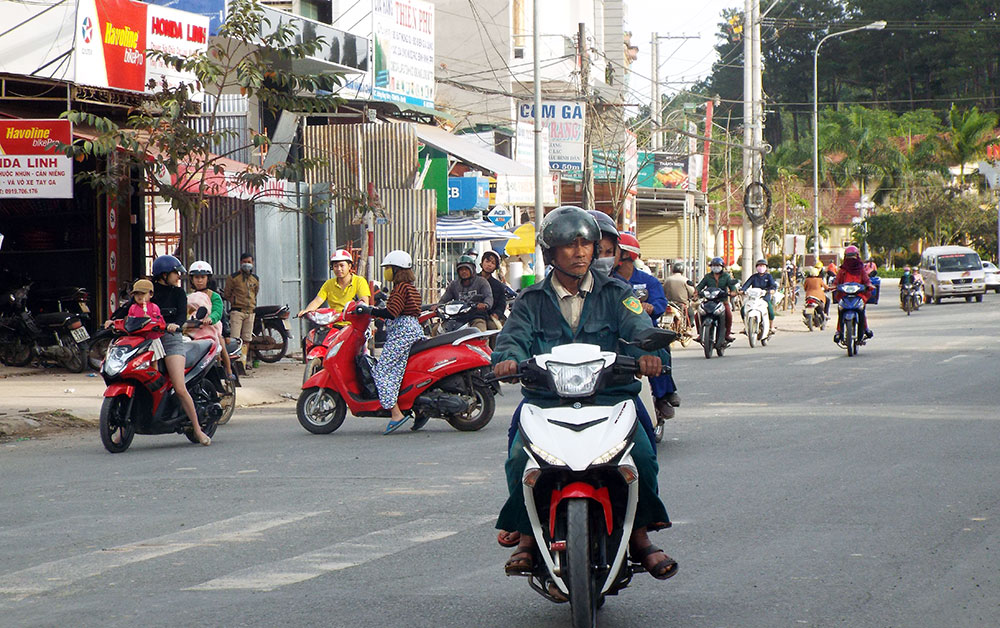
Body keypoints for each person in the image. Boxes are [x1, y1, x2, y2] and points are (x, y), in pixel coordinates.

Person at [492, 206, 677, 581]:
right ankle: (527, 537)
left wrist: (649, 356)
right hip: (547, 400)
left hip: (611, 397)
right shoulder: (531, 300)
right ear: (550, 253)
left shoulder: (618, 292)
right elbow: (512, 339)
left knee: (641, 453)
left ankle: (639, 536)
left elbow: (640, 328)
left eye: (586, 244)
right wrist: (508, 360)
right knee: (517, 458)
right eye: (569, 245)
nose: (580, 252)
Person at [615, 232, 680, 421]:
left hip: (645, 335)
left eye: (612, 251)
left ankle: (663, 395)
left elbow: (660, 301)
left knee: (660, 353)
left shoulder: (648, 280)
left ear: (627, 254)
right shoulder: (607, 282)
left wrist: (652, 308)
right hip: (616, 335)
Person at [151, 255, 211, 446]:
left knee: (180, 387)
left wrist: (174, 325)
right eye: (176, 273)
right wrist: (113, 320)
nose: (178, 277)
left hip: (171, 341)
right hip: (149, 340)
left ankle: (198, 430)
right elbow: (131, 307)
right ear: (164, 274)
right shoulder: (149, 291)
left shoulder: (178, 293)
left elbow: (179, 317)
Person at [368, 250, 424, 434]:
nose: (386, 272)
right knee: (401, 370)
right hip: (411, 329)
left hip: (402, 332)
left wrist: (370, 311)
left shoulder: (400, 288)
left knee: (382, 371)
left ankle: (396, 413)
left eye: (388, 268)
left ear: (397, 270)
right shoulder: (409, 287)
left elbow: (392, 312)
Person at [298, 249, 371, 322]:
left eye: (342, 265)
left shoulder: (360, 281)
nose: (339, 269)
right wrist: (307, 311)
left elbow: (364, 302)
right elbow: (318, 300)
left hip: (353, 325)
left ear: (349, 266)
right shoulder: (328, 284)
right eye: (335, 266)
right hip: (332, 324)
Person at [189, 261, 233, 380]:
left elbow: (218, 312)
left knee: (221, 345)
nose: (199, 280)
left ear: (208, 279)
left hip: (212, 328)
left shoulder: (214, 296)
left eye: (202, 277)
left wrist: (210, 318)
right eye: (196, 277)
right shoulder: (190, 296)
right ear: (191, 279)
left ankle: (229, 371)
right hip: (194, 328)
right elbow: (187, 311)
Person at [438, 255, 493, 332]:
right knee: (437, 330)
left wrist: (485, 304)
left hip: (476, 317)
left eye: (466, 269)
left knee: (480, 332)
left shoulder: (481, 282)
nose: (464, 272)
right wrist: (438, 306)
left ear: (472, 270)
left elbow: (489, 297)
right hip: (456, 318)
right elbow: (444, 299)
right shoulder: (454, 284)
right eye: (461, 269)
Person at [223, 252, 259, 370]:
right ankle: (234, 363)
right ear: (240, 263)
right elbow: (227, 293)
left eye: (249, 262)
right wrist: (234, 301)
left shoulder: (255, 279)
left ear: (252, 263)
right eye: (244, 262)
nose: (247, 264)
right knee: (235, 339)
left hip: (250, 312)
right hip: (237, 311)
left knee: (247, 339)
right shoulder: (233, 278)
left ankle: (242, 363)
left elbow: (255, 292)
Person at [832, 245, 874, 343]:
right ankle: (839, 331)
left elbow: (866, 280)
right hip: (845, 295)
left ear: (857, 256)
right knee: (841, 310)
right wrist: (834, 286)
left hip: (859, 295)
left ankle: (865, 328)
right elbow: (837, 281)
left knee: (861, 310)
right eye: (849, 256)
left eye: (853, 255)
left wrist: (868, 285)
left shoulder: (861, 269)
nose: (851, 258)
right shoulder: (842, 270)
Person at [696, 257, 740, 343]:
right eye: (713, 265)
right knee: (697, 316)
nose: (715, 267)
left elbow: (732, 287)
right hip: (709, 301)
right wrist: (696, 292)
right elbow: (700, 286)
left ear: (722, 267)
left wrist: (733, 292)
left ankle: (727, 335)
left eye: (717, 265)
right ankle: (700, 334)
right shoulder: (707, 277)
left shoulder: (726, 276)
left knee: (729, 315)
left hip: (722, 301)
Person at [478, 250, 513, 334]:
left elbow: (502, 304)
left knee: (495, 331)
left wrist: (496, 314)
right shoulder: (472, 280)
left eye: (493, 263)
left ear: (495, 267)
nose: (489, 265)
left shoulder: (498, 285)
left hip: (490, 316)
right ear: (482, 263)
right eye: (487, 261)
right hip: (474, 316)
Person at [741, 258, 778, 333]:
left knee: (770, 311)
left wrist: (771, 290)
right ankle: (746, 326)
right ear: (757, 267)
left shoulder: (768, 276)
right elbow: (746, 284)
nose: (761, 267)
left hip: (764, 297)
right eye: (759, 266)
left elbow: (773, 285)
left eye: (763, 266)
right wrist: (742, 290)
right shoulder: (754, 277)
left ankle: (771, 327)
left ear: (766, 267)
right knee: (743, 310)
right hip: (753, 297)